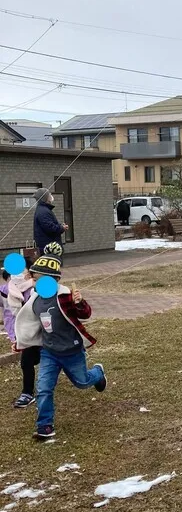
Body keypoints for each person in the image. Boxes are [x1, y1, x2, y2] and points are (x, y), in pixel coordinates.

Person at [15, 245, 106, 442]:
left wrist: (80, 302)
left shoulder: (64, 298)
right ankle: (45, 426)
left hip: (72, 351)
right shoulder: (34, 299)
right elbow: (29, 322)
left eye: (41, 279)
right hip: (49, 353)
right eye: (35, 278)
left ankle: (98, 373)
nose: (36, 282)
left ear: (55, 280)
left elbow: (85, 314)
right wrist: (20, 341)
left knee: (82, 382)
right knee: (44, 388)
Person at [0, 251, 39, 409]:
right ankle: (28, 393)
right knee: (28, 360)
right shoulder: (4, 291)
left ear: (29, 274)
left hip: (39, 330)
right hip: (20, 334)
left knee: (35, 358)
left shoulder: (36, 289)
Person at [33, 188, 68, 253]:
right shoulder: (43, 211)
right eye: (49, 195)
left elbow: (49, 225)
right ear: (45, 198)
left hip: (48, 247)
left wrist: (59, 226)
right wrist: (62, 228)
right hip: (50, 249)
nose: (51, 196)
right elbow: (50, 228)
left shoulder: (43, 210)